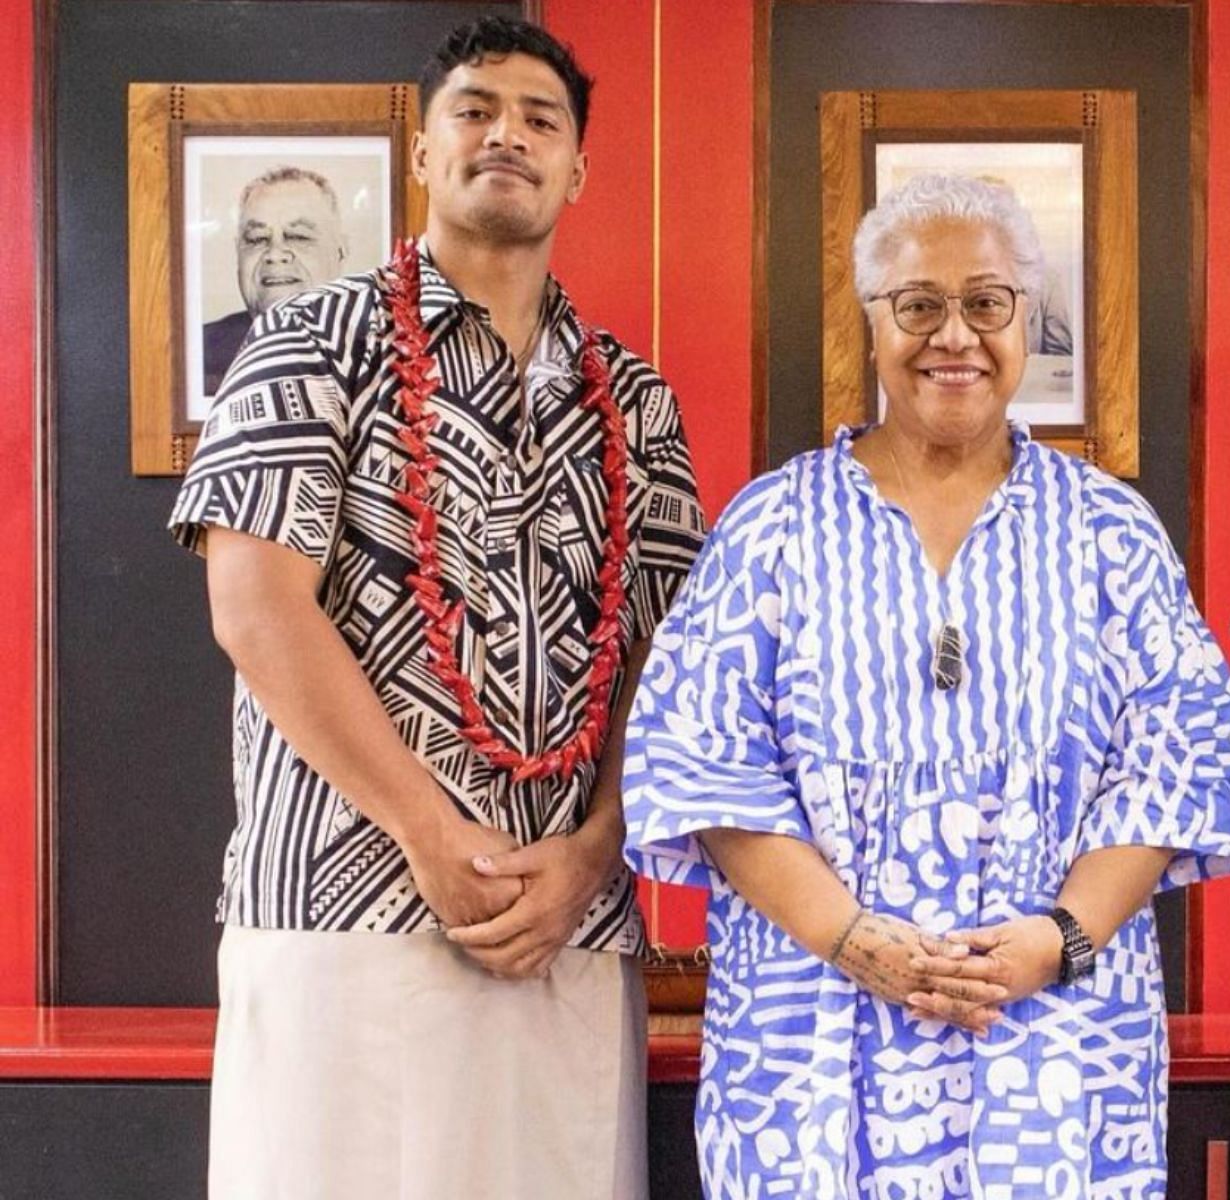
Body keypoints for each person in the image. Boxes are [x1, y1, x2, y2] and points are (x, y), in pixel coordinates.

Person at [622, 173, 1230, 1199]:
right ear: (872, 323)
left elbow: (1178, 760)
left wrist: (1062, 938)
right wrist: (855, 939)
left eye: (985, 302)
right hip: (814, 1027)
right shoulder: (771, 526)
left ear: (1027, 320)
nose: (952, 334)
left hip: (1053, 1031)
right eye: (918, 305)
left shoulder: (1109, 533)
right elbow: (701, 764)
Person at [169, 16, 703, 1198]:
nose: (506, 134)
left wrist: (588, 857)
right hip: (343, 910)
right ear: (424, 148)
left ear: (579, 167)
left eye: (540, 118)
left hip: (567, 935)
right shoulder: (308, 342)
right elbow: (256, 610)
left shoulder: (636, 401)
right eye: (475, 109)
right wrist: (428, 831)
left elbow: (671, 666)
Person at [202, 166, 351, 393]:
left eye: (298, 236)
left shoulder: (378, 348)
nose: (275, 254)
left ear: (340, 250)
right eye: (257, 239)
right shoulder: (203, 353)